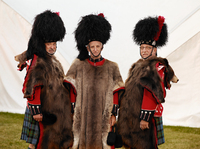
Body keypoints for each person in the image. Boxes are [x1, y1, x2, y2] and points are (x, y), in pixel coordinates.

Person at [63, 13, 125, 149]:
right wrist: (73, 111)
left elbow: (117, 92)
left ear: (102, 46)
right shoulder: (78, 65)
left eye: (98, 46)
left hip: (104, 117)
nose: (95, 49)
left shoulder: (112, 67)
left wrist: (113, 114)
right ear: (88, 48)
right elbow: (70, 89)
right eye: (92, 46)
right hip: (82, 117)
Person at [117, 16, 179, 149]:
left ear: (154, 49)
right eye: (142, 47)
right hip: (133, 115)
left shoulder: (156, 66)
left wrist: (145, 117)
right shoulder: (138, 65)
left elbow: (151, 92)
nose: (144, 50)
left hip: (144, 118)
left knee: (146, 145)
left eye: (147, 47)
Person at [15, 10, 73, 149]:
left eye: (54, 43)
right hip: (40, 109)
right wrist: (36, 110)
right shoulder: (39, 61)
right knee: (35, 143)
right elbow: (32, 86)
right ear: (42, 43)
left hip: (49, 107)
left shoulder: (52, 61)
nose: (52, 46)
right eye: (49, 43)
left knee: (44, 142)